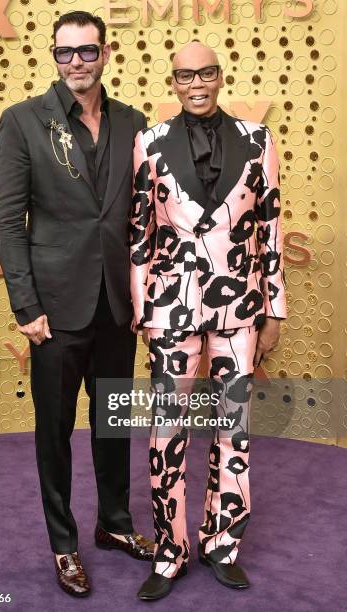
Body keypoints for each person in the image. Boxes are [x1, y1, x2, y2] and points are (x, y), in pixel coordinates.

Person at [0, 10, 154, 599]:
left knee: (113, 422)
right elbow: (9, 222)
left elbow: (143, 216)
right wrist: (25, 305)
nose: (76, 62)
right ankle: (64, 544)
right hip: (53, 311)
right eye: (66, 53)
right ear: (53, 57)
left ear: (106, 53)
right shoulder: (22, 122)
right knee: (53, 430)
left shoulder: (134, 123)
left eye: (87, 51)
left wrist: (145, 294)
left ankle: (114, 525)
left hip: (117, 304)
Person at [130, 41, 287, 601]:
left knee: (234, 429)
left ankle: (222, 543)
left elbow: (269, 229)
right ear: (172, 82)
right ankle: (170, 553)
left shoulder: (259, 140)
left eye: (206, 73)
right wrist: (144, 308)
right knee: (166, 432)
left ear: (220, 77)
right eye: (184, 76)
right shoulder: (147, 143)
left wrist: (274, 310)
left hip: (241, 307)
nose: (196, 83)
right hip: (171, 309)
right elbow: (140, 234)